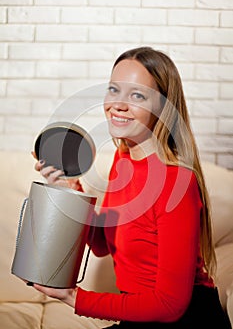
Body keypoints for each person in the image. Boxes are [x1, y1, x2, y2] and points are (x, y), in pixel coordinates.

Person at [30, 47, 231, 328]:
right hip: (139, 316)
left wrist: (76, 298)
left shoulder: (176, 183)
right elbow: (103, 246)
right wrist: (72, 192)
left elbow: (170, 305)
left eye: (137, 95)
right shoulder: (122, 160)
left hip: (185, 321)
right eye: (114, 90)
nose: (118, 104)